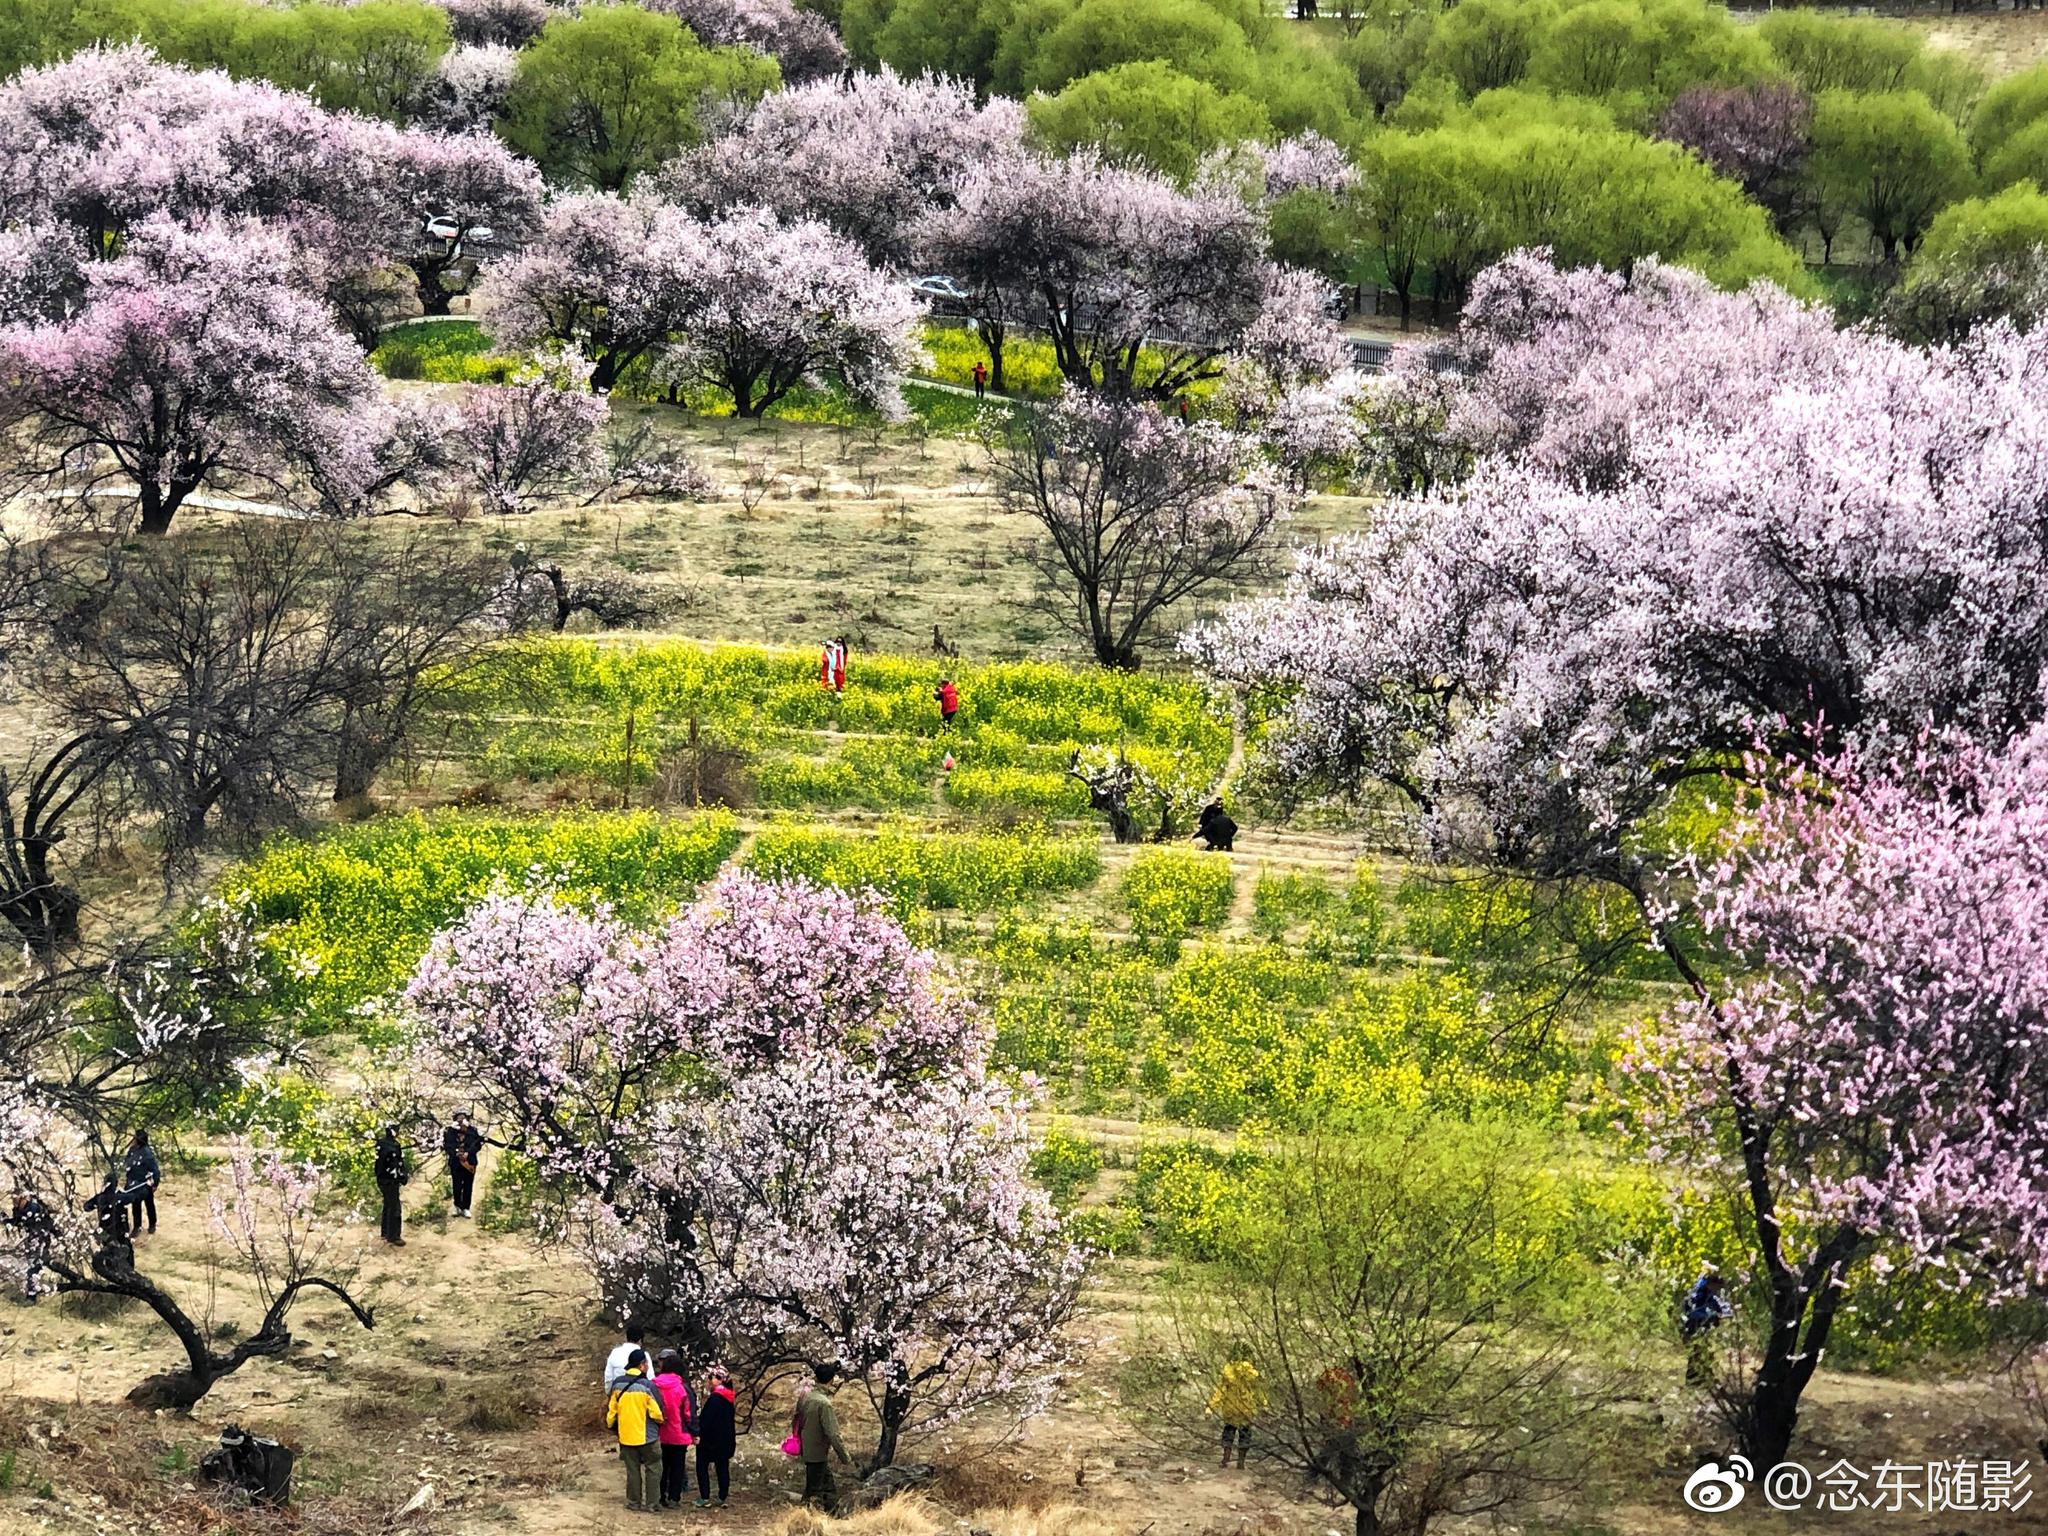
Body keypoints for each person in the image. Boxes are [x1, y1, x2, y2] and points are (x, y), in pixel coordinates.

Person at [606, 1348, 666, 1512]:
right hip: (647, 1437)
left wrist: (611, 1426)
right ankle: (652, 1504)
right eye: (646, 1364)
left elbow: (612, 1411)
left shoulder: (617, 1384)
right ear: (641, 1365)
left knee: (632, 1471)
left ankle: (634, 1502)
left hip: (626, 1436)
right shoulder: (647, 1385)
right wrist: (660, 1421)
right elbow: (656, 1412)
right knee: (653, 1468)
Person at [796, 1362, 852, 1507]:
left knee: (823, 1487)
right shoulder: (824, 1403)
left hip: (807, 1449)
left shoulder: (805, 1397)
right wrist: (845, 1458)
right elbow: (833, 1434)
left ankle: (829, 1514)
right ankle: (809, 1515)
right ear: (831, 1380)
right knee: (816, 1491)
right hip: (818, 1452)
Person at [652, 1349, 695, 1509]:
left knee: (661, 1467)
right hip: (678, 1434)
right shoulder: (682, 1388)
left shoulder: (653, 1385)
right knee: (677, 1467)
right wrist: (694, 1431)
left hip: (658, 1433)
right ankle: (674, 1498)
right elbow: (688, 1413)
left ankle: (660, 1496)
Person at [1207, 1356, 1266, 1469]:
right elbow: (1258, 1394)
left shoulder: (1229, 1376)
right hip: (1246, 1412)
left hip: (1231, 1412)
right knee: (1245, 1437)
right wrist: (1264, 1406)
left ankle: (1225, 1459)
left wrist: (1210, 1408)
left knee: (1228, 1435)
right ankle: (1241, 1462)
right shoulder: (1251, 1376)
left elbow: (1220, 1394)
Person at [695, 1363, 737, 1508]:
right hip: (725, 1439)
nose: (708, 1380)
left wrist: (698, 1432)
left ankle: (705, 1496)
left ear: (719, 1379)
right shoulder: (729, 1398)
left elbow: (706, 1421)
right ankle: (722, 1496)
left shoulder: (715, 1399)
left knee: (702, 1467)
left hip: (709, 1440)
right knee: (722, 1467)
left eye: (711, 1377)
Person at [1680, 1269, 1734, 1384]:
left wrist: (1718, 1314)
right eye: (1717, 1287)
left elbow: (1718, 1308)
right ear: (1711, 1284)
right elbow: (1694, 1312)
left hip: (1701, 1326)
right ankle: (1696, 1380)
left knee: (1701, 1353)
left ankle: (1702, 1379)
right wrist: (1712, 1316)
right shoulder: (1700, 1294)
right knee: (1697, 1353)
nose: (1717, 1290)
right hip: (1694, 1326)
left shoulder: (1710, 1295)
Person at [6, 1191, 54, 1303]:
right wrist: (6, 1220)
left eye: (16, 1200)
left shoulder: (34, 1209)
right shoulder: (19, 1210)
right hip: (31, 1239)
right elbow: (18, 1222)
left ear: (23, 1199)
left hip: (40, 1238)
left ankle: (32, 1295)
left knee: (34, 1265)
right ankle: (35, 1291)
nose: (14, 1203)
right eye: (13, 1200)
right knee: (32, 1264)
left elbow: (43, 1224)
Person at [442, 1112, 483, 1219]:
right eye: (459, 1118)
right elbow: (447, 1145)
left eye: (463, 1118)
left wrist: (468, 1153)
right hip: (456, 1162)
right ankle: (457, 1206)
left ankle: (466, 1207)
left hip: (469, 1162)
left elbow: (478, 1145)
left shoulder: (472, 1131)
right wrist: (455, 1153)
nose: (461, 1121)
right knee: (456, 1185)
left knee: (468, 1185)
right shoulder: (450, 1131)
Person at [374, 1125, 409, 1247]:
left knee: (388, 1204)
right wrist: (401, 1176)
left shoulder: (382, 1143)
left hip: (383, 1179)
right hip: (390, 1179)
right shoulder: (392, 1145)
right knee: (394, 1207)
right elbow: (396, 1163)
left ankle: (385, 1231)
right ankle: (393, 1236)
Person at [124, 1130, 161, 1236]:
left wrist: (155, 1183)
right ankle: (137, 1226)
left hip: (144, 1184)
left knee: (149, 1204)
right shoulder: (132, 1150)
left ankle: (152, 1224)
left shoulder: (147, 1153)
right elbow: (127, 1163)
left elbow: (155, 1170)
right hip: (134, 1183)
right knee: (135, 1205)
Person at [604, 1321, 646, 1391]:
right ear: (640, 1340)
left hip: (618, 1391)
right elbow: (650, 1378)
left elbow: (608, 1377)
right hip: (639, 1393)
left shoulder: (615, 1352)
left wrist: (609, 1393)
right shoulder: (644, 1355)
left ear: (627, 1337)